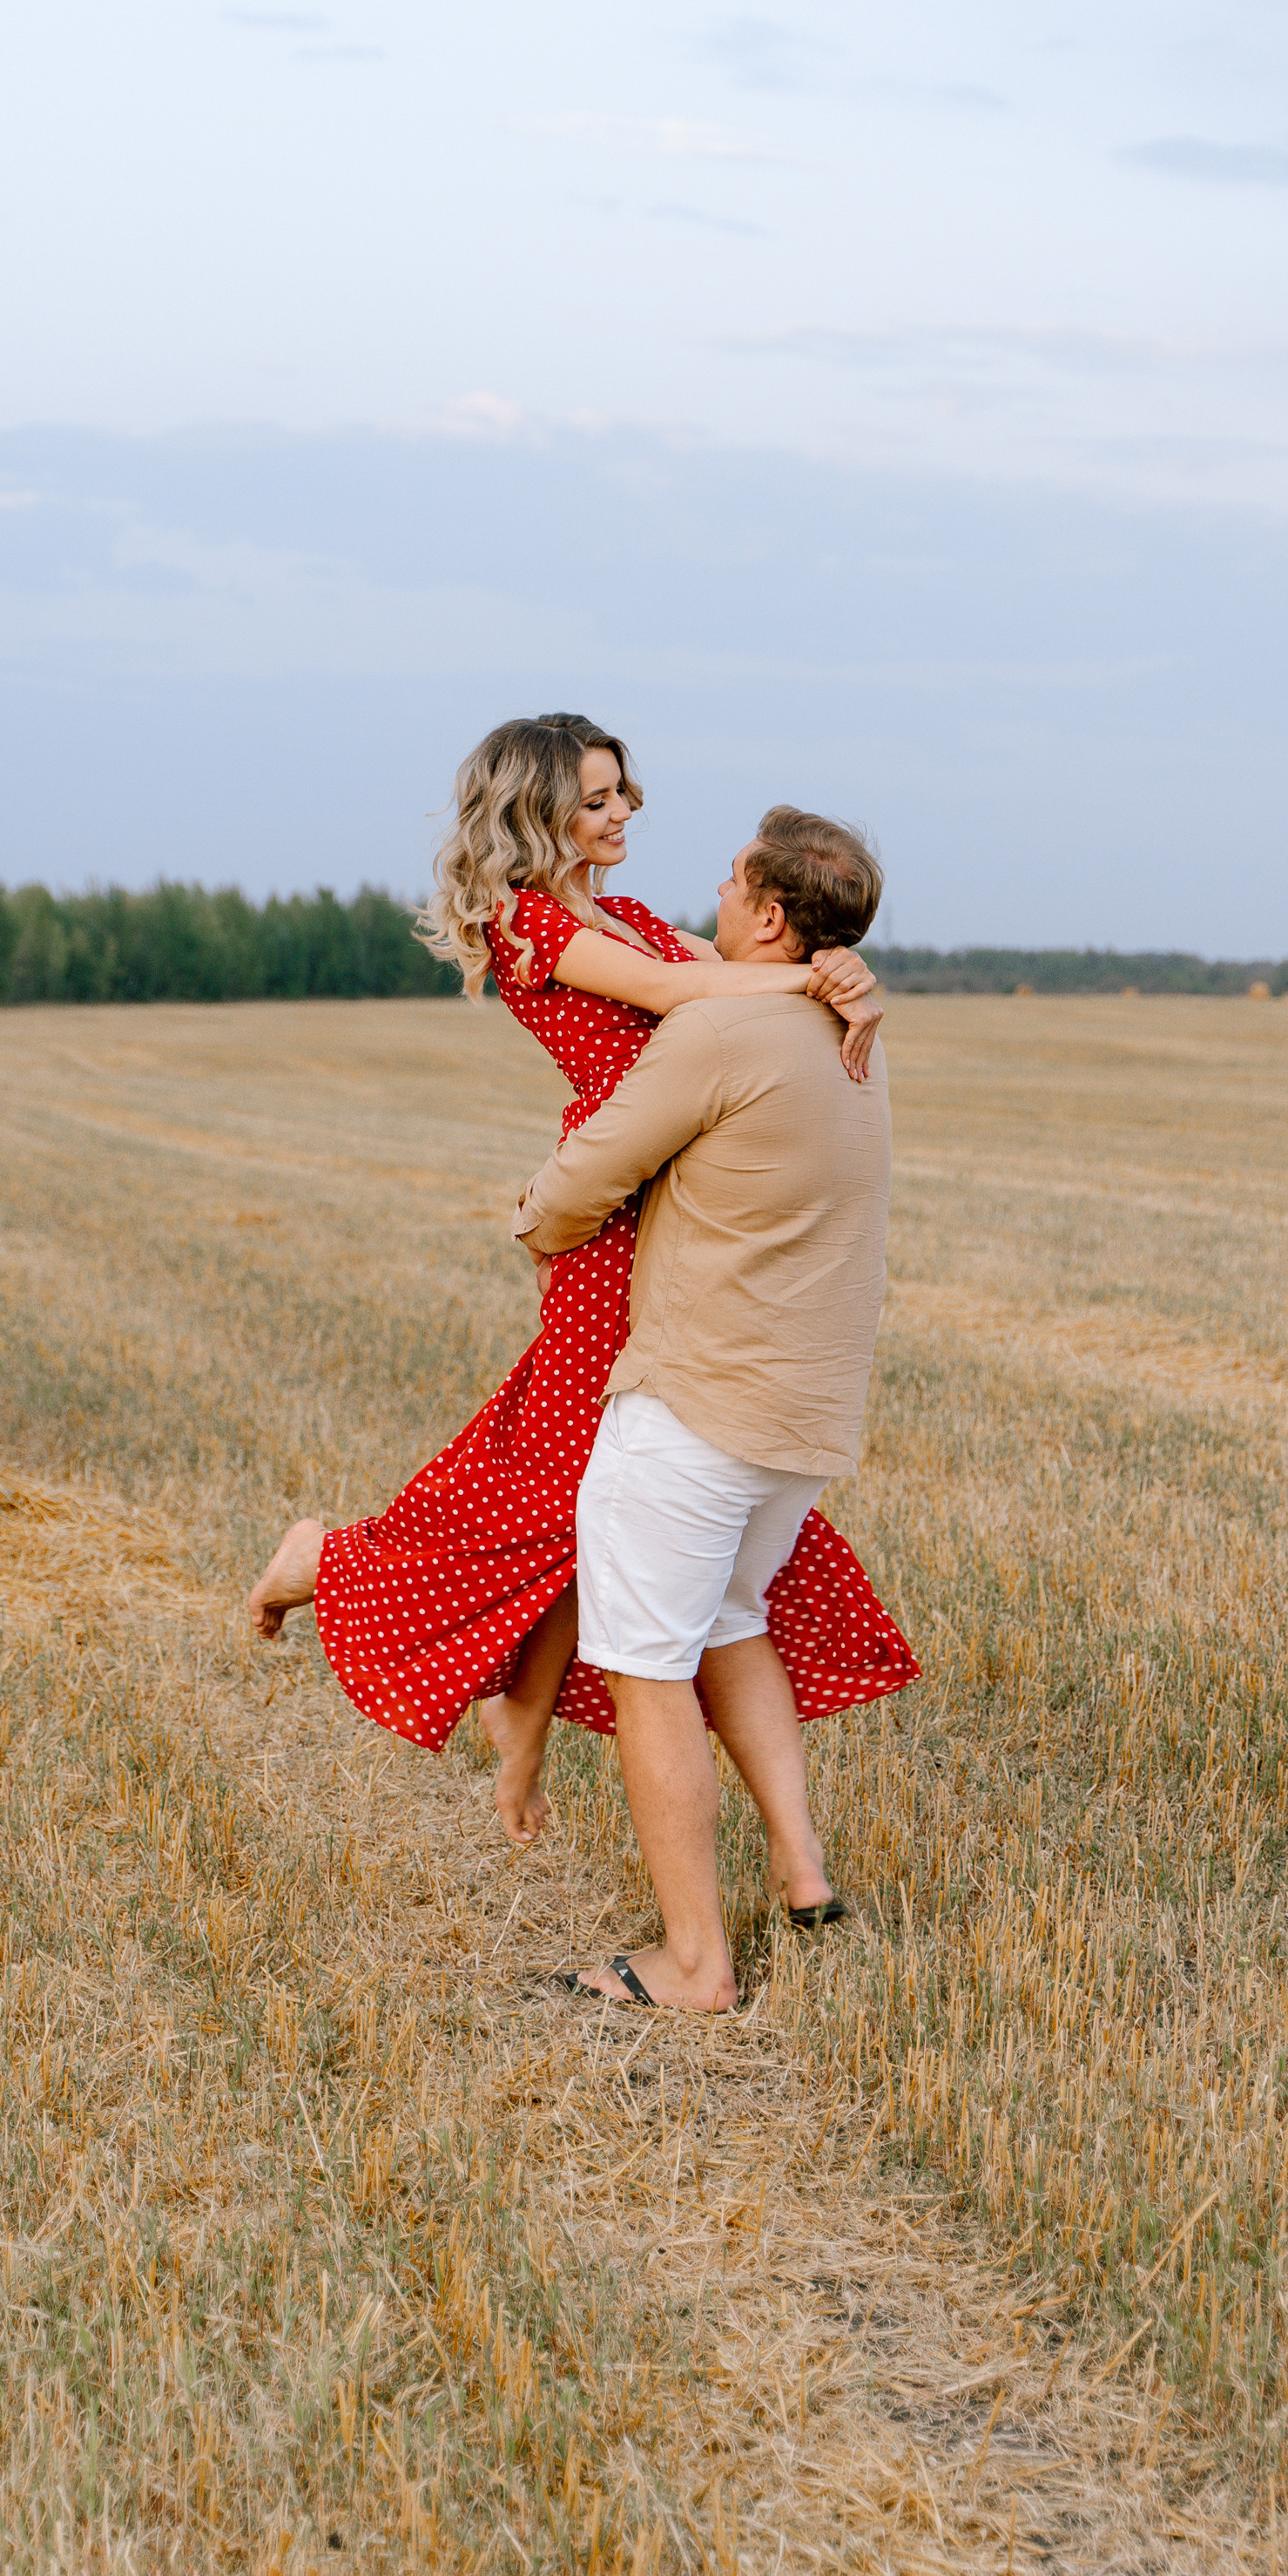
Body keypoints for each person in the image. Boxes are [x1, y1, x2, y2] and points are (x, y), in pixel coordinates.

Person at [246, 716, 918, 1836]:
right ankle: (328, 1561)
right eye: (596, 800)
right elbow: (689, 998)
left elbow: (726, 973)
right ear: (534, 811)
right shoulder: (533, 922)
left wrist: (828, 967)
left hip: (666, 1210)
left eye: (622, 795)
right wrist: (817, 982)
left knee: (589, 1502)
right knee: (556, 1485)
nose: (622, 816)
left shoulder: (637, 918)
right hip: (610, 1224)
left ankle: (524, 1710)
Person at [510, 812, 896, 2011]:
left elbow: (587, 1180)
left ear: (771, 918)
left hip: (694, 1404)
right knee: (733, 1618)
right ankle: (801, 1875)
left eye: (733, 880)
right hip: (804, 1418)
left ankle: (692, 1961)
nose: (714, 890)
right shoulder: (855, 1031)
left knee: (643, 1666)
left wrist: (535, 1220)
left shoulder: (718, 1027)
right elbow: (677, 955)